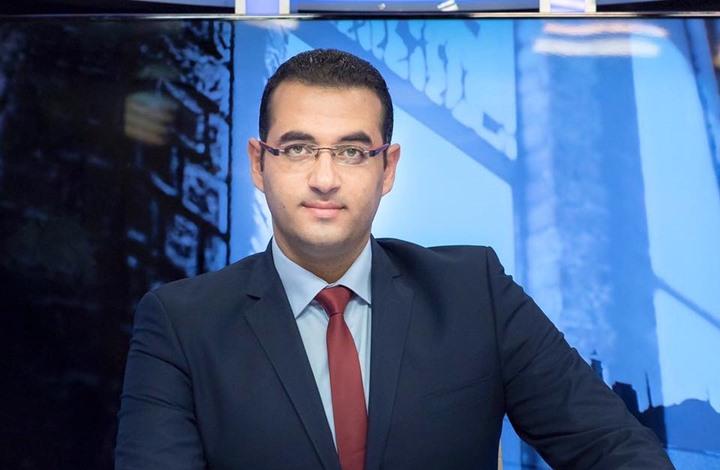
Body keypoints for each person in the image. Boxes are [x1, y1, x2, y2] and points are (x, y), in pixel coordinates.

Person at [115, 48, 674, 470]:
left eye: (353, 151)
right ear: (259, 164)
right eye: (299, 148)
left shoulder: (475, 293)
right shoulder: (180, 323)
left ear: (388, 169)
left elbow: (613, 446)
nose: (325, 178)